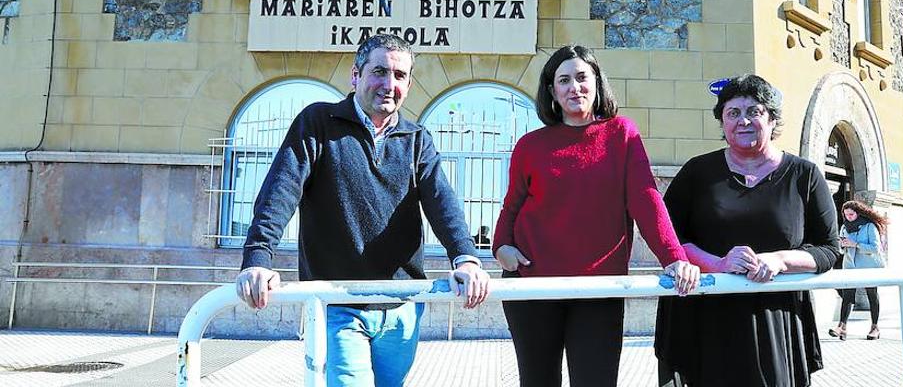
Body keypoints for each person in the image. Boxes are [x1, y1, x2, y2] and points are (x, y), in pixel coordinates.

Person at [235, 33, 490, 387]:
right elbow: (280, 191)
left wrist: (465, 258)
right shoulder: (318, 123)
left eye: (399, 76)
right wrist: (258, 258)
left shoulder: (416, 139)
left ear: (408, 85)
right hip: (337, 302)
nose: (389, 84)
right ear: (355, 76)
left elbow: (441, 200)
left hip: (401, 306)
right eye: (379, 72)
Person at [492, 44, 701, 387]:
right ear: (552, 91)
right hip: (532, 285)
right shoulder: (530, 145)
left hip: (599, 288)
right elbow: (512, 205)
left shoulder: (622, 134)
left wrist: (673, 257)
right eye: (564, 81)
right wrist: (502, 248)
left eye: (581, 77)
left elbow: (646, 198)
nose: (574, 87)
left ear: (597, 83)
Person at [655, 74, 840, 387]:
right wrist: (718, 264)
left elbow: (829, 249)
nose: (743, 121)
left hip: (776, 319)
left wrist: (780, 261)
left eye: (754, 111)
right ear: (722, 122)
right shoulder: (696, 172)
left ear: (772, 119)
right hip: (705, 318)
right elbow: (669, 239)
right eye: (733, 113)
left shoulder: (804, 175)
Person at [828, 200, 888, 341]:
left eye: (851, 214)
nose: (848, 217)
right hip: (850, 265)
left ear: (858, 213)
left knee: (872, 295)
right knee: (847, 295)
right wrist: (842, 245)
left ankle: (875, 327)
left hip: (868, 266)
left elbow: (876, 248)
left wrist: (856, 244)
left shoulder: (869, 226)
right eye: (846, 214)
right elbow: (842, 249)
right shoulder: (844, 227)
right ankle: (842, 327)